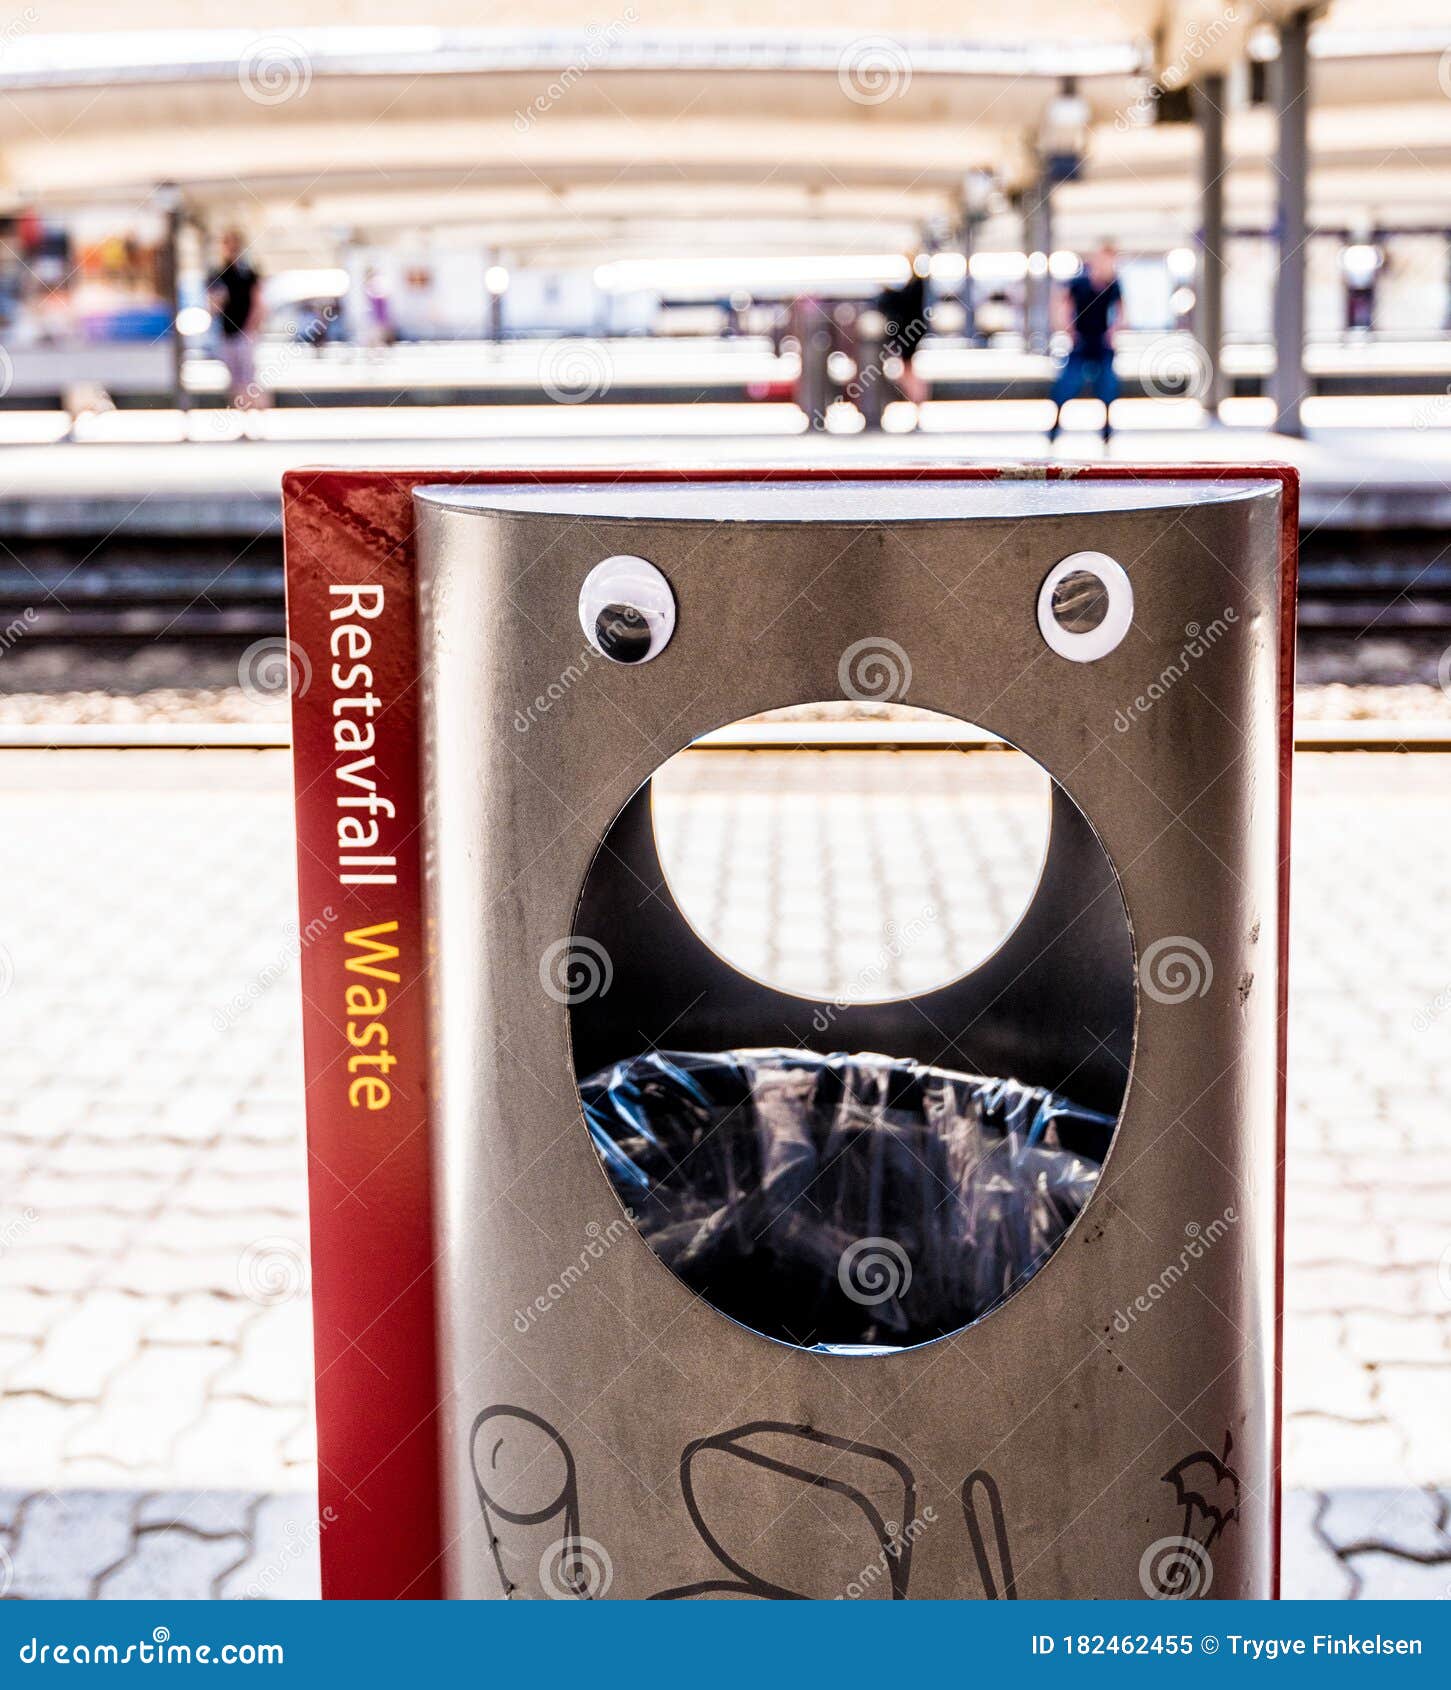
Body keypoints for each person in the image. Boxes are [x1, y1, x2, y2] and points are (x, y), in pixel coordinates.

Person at [1047, 243, 1123, 445]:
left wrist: (1113, 332)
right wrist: (1066, 328)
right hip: (1080, 341)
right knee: (1066, 386)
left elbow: (1121, 310)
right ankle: (1054, 428)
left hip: (1101, 343)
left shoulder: (1113, 284)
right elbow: (1062, 301)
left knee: (1107, 386)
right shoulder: (1079, 282)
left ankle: (1106, 429)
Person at [208, 231, 266, 411]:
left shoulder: (248, 273)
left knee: (248, 375)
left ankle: (255, 410)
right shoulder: (217, 274)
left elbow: (258, 302)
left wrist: (251, 328)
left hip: (245, 331)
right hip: (227, 332)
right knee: (234, 377)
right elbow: (212, 305)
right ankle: (241, 411)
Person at [876, 252, 931, 410]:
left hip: (910, 331)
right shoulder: (918, 284)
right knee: (908, 367)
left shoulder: (917, 285)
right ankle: (917, 399)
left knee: (907, 368)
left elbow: (903, 300)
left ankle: (917, 398)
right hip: (912, 330)